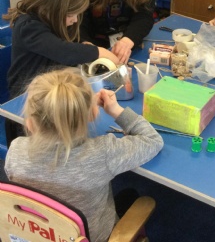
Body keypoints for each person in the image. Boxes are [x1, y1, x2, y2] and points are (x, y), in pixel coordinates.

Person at [5, 68, 164, 242]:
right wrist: (116, 110)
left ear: (30, 123)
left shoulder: (15, 151)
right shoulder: (101, 154)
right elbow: (153, 140)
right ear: (93, 114)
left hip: (33, 234)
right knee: (131, 195)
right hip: (93, 237)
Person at [2, 0, 120, 146]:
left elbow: (65, 46)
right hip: (28, 110)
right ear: (51, 7)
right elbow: (62, 52)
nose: (74, 20)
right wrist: (98, 51)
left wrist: (83, 45)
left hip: (53, 97)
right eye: (71, 14)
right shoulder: (27, 26)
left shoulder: (51, 19)